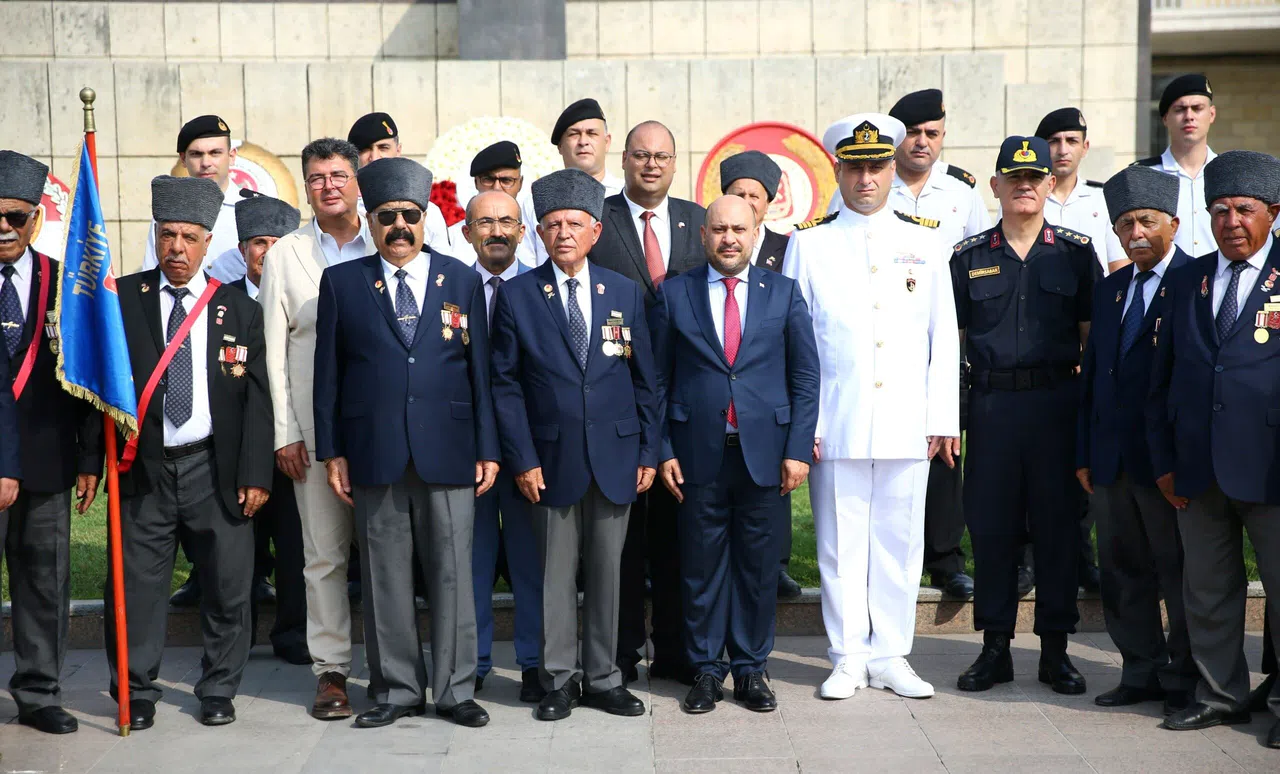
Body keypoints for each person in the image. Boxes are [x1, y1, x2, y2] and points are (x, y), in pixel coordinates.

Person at [313, 156, 496, 730]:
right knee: (385, 577)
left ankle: (456, 690)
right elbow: (328, 376)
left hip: (451, 450)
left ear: (425, 220)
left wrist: (488, 448)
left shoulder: (461, 279)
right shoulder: (342, 283)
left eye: (410, 216)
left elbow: (481, 373)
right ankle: (396, 689)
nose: (399, 226)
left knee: (453, 574)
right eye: (387, 216)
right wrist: (332, 451)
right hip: (375, 451)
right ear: (369, 220)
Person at [783, 113, 959, 700]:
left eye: (876, 167)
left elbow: (943, 335)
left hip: (908, 419)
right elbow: (796, 342)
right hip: (837, 417)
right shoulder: (809, 243)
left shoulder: (926, 240)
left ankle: (891, 655)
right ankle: (848, 656)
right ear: (838, 170)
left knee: (900, 545)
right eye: (855, 168)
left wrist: (942, 418)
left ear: (892, 169)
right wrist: (804, 423)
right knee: (840, 546)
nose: (866, 179)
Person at [489, 168, 657, 721]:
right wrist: (522, 458)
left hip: (616, 457)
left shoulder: (623, 292)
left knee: (609, 573)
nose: (564, 233)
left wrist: (649, 452)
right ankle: (558, 679)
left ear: (595, 231)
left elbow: (645, 381)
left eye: (575, 224)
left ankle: (605, 678)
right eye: (553, 224)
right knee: (553, 577)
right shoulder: (518, 296)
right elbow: (505, 385)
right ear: (539, 233)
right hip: (548, 460)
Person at [107, 175, 274, 730]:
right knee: (137, 587)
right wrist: (91, 463)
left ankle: (219, 687)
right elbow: (97, 386)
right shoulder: (121, 299)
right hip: (144, 468)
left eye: (189, 238)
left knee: (228, 585)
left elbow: (258, 399)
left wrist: (256, 474)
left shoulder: (237, 308)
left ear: (207, 243)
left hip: (214, 467)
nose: (176, 248)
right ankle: (135, 689)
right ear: (156, 236)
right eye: (167, 235)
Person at [650, 194, 820, 714]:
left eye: (739, 230)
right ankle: (705, 669)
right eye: (719, 229)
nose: (729, 239)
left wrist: (798, 449)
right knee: (700, 568)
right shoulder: (674, 293)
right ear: (703, 235)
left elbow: (805, 376)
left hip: (765, 456)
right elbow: (656, 381)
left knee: (757, 568)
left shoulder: (783, 292)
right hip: (695, 454)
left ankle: (750, 670)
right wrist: (662, 448)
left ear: (755, 234)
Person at [951, 136, 1099, 696]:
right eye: (1013, 178)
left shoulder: (1075, 254)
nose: (1024, 186)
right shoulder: (968, 257)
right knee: (992, 528)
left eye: (1034, 178)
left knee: (1058, 528)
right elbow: (949, 344)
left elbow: (1091, 341)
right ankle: (995, 648)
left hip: (1056, 406)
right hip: (991, 407)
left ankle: (1056, 650)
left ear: (1049, 184)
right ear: (996, 186)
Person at [1148, 150, 1280, 749]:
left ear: (1272, 213)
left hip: (1271, 465)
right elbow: (1160, 379)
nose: (1231, 222)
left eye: (1244, 210)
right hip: (1197, 467)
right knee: (1206, 591)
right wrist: (1165, 462)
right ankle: (1219, 695)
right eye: (1220, 210)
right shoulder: (1188, 279)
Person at [849, 89, 987, 601]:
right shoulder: (865, 185)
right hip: (880, 343)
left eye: (932, 133)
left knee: (944, 449)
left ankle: (946, 559)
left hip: (945, 338)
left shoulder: (961, 193)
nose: (922, 142)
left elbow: (979, 260)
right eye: (912, 133)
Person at [589, 120, 706, 685]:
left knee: (678, 535)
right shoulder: (598, 220)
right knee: (624, 539)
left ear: (675, 163)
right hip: (617, 398)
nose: (651, 164)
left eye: (662, 156)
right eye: (641, 155)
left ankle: (677, 651)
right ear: (625, 160)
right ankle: (621, 650)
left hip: (684, 400)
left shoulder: (698, 221)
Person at [1077, 165, 1195, 716]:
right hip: (1111, 459)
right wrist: (1085, 452)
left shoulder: (1196, 281)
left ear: (1173, 222)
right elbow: (1093, 375)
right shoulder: (1110, 289)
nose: (1135, 233)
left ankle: (1185, 677)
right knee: (1123, 570)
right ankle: (1140, 670)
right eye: (1124, 225)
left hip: (1166, 461)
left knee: (1179, 571)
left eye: (1146, 221)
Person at [257, 138, 368, 720]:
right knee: (323, 556)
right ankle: (331, 670)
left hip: (381, 428)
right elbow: (273, 353)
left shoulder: (388, 235)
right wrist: (286, 432)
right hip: (313, 433)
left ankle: (397, 668)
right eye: (318, 177)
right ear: (306, 187)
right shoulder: (287, 254)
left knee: (390, 551)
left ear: (358, 180)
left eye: (339, 175)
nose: (329, 186)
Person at [0, 151, 103, 735]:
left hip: (47, 458)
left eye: (15, 216)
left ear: (35, 219)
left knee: (44, 582)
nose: (4, 227)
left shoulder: (67, 283)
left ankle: (39, 692)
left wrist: (89, 457)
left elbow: (86, 379)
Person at [459, 188, 545, 703]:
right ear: (467, 231)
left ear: (522, 231)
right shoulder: (450, 288)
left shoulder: (539, 289)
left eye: (506, 222)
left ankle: (535, 663)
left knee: (532, 561)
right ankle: (471, 663)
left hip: (530, 449)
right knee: (470, 562)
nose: (496, 231)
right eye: (485, 222)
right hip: (464, 450)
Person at [219, 191, 310, 666]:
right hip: (237, 448)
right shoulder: (221, 303)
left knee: (296, 544)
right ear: (242, 250)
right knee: (239, 547)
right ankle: (237, 638)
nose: (268, 252)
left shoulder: (308, 297)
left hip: (295, 442)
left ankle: (294, 633)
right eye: (259, 243)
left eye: (278, 242)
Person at [719, 150, 802, 598]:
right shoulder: (719, 245)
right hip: (728, 384)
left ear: (769, 203)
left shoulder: (789, 248)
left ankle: (778, 564)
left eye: (755, 195)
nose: (747, 202)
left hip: (773, 379)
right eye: (738, 193)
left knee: (773, 483)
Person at [141, 115, 247, 278]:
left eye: (215, 153)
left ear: (231, 156)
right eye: (196, 154)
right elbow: (152, 273)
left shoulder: (252, 209)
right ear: (183, 159)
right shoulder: (168, 211)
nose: (206, 163)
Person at [522, 98, 625, 265]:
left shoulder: (625, 196)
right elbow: (526, 265)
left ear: (607, 142)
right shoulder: (536, 202)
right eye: (574, 134)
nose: (583, 142)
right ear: (560, 146)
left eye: (592, 133)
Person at [1135, 74, 1218, 257]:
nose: (1189, 116)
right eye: (1180, 110)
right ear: (1165, 118)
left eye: (1197, 108)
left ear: (1211, 114)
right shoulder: (1143, 176)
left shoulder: (1227, 172)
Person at [347, 112, 452, 256]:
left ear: (398, 150)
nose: (375, 157)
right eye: (365, 150)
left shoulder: (428, 211)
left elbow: (444, 264)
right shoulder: (345, 210)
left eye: (383, 147)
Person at [448, 140, 537, 269]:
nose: (497, 188)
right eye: (488, 180)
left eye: (506, 180)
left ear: (520, 183)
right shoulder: (453, 237)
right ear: (476, 182)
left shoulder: (537, 230)